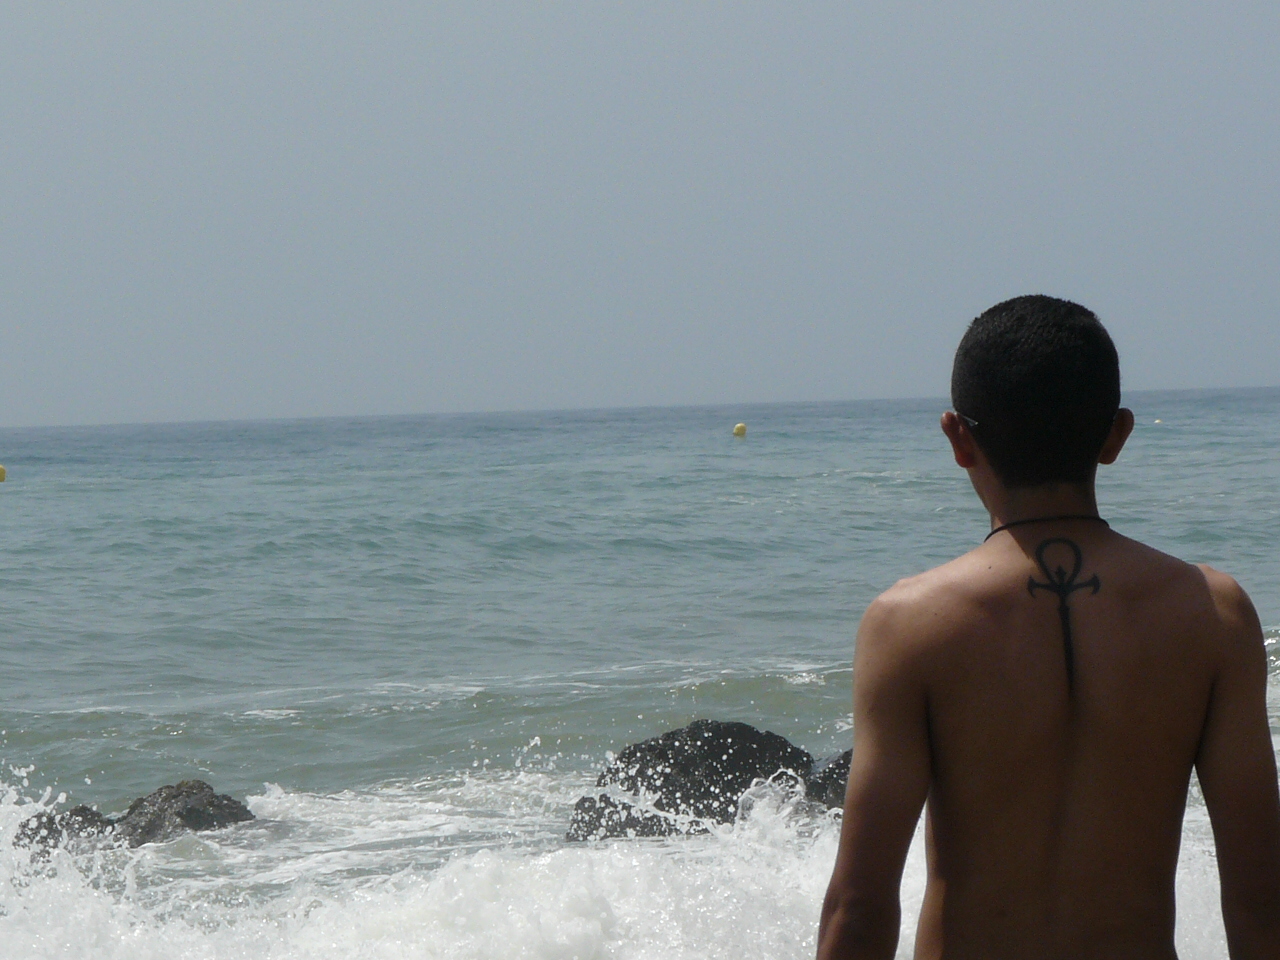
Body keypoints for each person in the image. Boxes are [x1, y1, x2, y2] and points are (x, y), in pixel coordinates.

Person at [817, 295, 1280, 959]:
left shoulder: (910, 624)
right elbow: (1261, 900)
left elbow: (859, 907)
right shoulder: (1212, 614)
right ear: (1117, 435)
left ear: (958, 438)